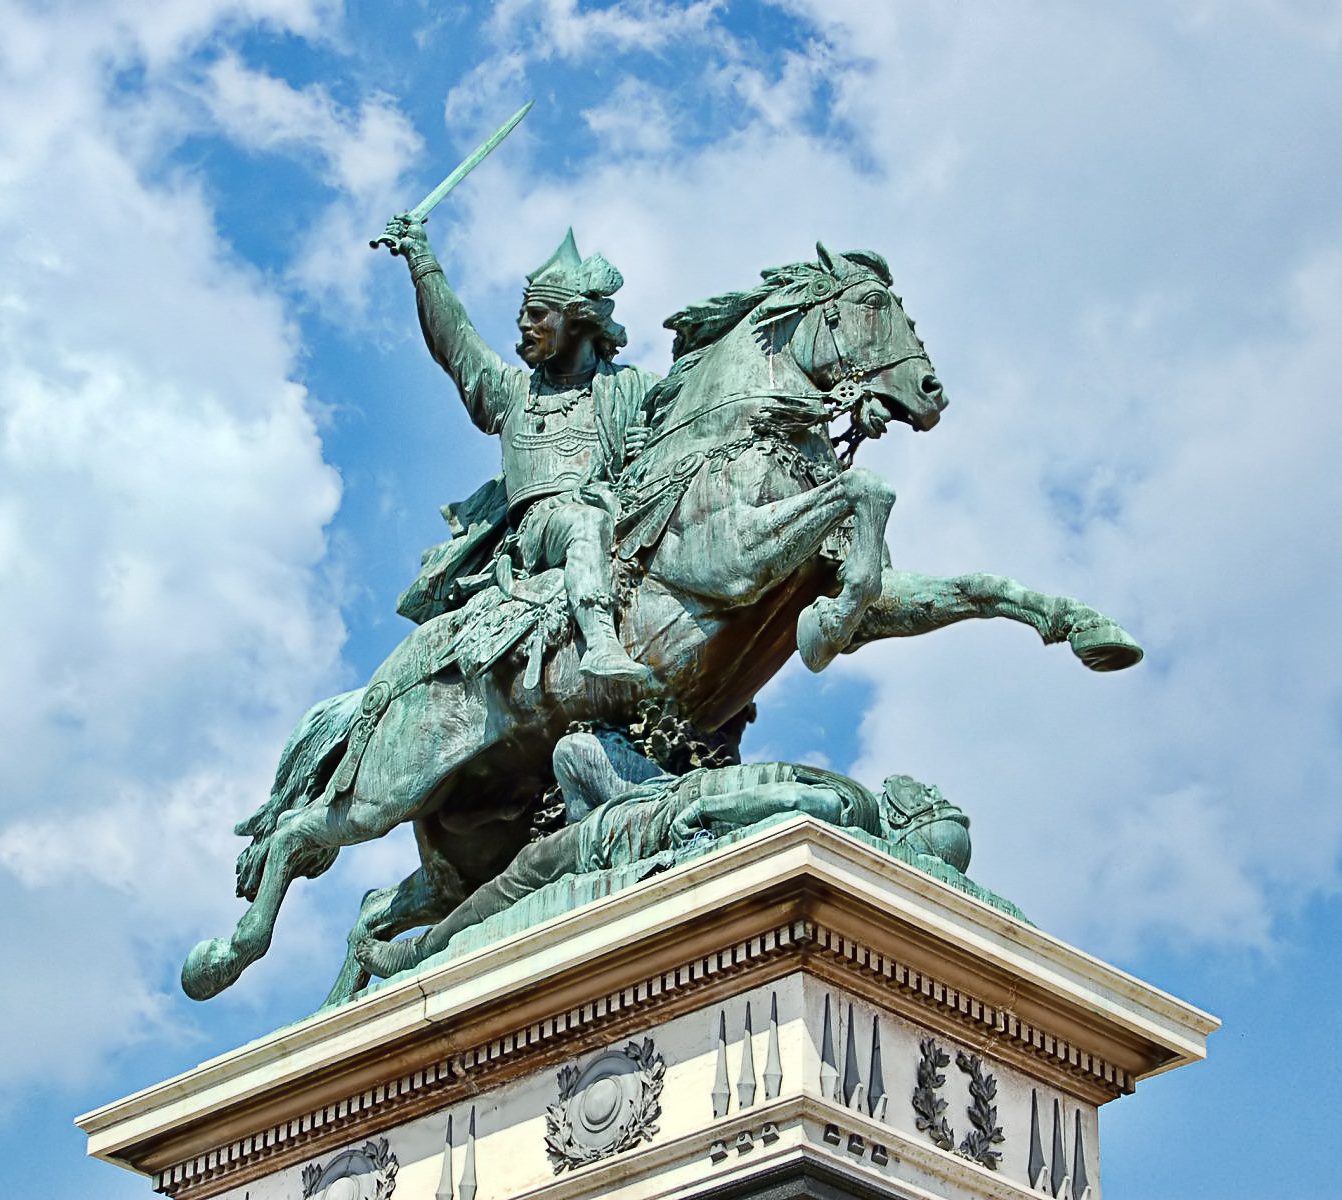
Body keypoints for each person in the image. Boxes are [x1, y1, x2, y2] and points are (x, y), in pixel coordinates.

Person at [354, 733, 972, 979]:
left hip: (644, 824)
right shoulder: (854, 807)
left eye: (935, 803)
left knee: (520, 878)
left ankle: (419, 949)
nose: (932, 789)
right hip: (652, 800)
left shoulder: (850, 808)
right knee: (574, 761)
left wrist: (709, 814)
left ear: (910, 820)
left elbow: (790, 797)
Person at [389, 220, 658, 682]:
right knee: (582, 519)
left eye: (537, 315)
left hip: (627, 514)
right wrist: (422, 262)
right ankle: (600, 643)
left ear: (576, 320)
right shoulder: (512, 393)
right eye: (525, 314)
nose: (523, 325)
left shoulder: (636, 388)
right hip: (542, 529)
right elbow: (455, 341)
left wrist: (648, 447)